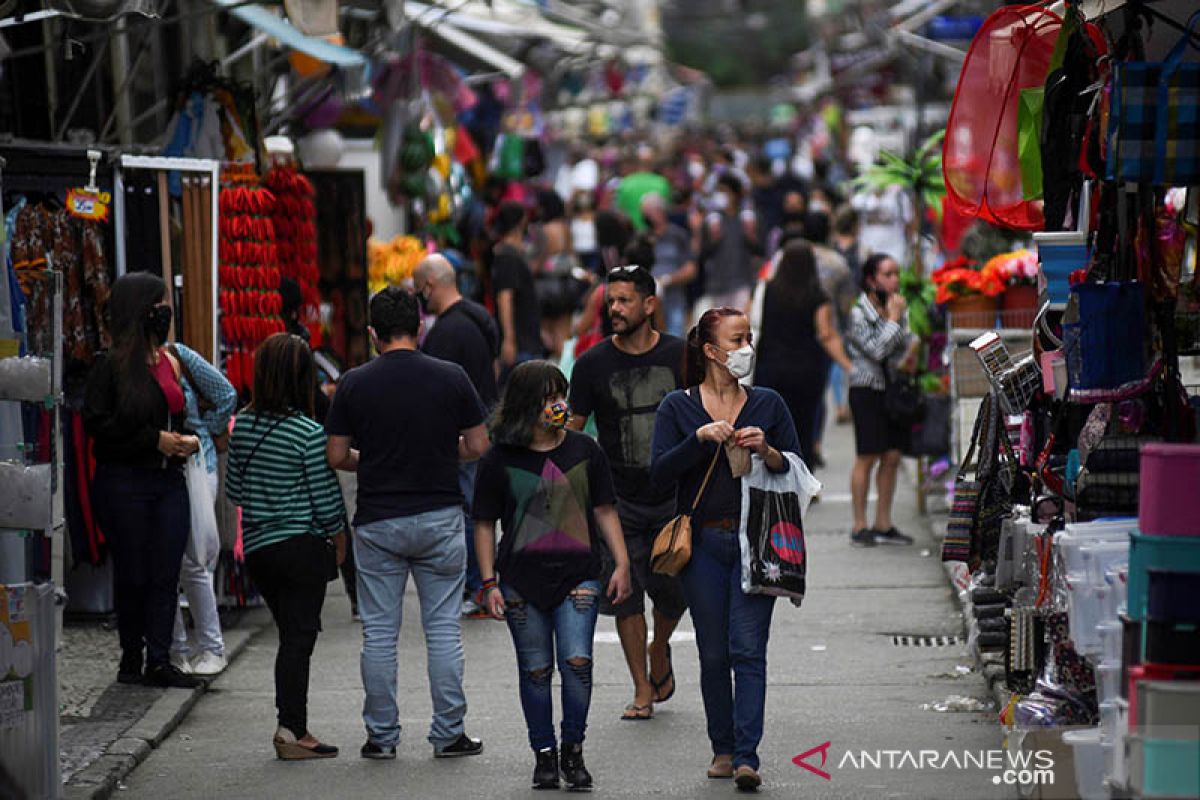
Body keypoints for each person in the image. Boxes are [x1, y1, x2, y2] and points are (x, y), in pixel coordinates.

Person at [325, 287, 491, 761]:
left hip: (378, 520)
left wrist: (372, 462)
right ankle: (449, 732)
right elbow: (479, 445)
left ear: (372, 333)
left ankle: (381, 736)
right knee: (442, 628)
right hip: (439, 515)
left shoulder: (354, 383)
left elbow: (336, 454)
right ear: (420, 328)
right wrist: (441, 455)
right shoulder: (451, 376)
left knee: (379, 631)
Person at [650, 307, 801, 791]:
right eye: (737, 340)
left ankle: (746, 756)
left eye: (749, 338)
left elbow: (798, 470)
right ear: (711, 351)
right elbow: (658, 475)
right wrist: (698, 440)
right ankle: (722, 747)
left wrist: (769, 452)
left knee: (748, 650)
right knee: (714, 653)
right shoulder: (678, 406)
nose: (746, 349)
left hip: (758, 540)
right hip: (704, 543)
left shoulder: (769, 403)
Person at [474, 361, 632, 790]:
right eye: (548, 397)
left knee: (577, 663)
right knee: (536, 670)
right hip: (520, 581)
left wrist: (621, 562)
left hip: (580, 575)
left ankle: (573, 750)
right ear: (527, 405)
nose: (558, 405)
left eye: (560, 394)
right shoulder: (499, 458)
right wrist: (487, 583)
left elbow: (604, 508)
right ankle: (543, 754)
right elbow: (484, 522)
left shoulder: (586, 449)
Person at [567, 265, 687, 722]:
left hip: (675, 496)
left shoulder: (679, 356)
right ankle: (641, 686)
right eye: (610, 301)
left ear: (649, 305)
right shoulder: (592, 365)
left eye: (624, 300)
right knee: (626, 594)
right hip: (617, 501)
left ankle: (661, 647)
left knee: (675, 592)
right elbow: (575, 431)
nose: (614, 309)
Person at [225, 333, 347, 760]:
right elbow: (327, 499)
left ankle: (292, 725)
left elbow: (234, 491)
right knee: (299, 637)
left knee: (289, 635)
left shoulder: (242, 426)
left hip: (259, 550)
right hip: (300, 547)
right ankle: (292, 730)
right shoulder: (308, 432)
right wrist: (339, 539)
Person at [83, 272, 202, 689]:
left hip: (169, 481)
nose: (165, 312)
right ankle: (132, 655)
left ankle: (159, 658)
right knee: (133, 572)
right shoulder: (109, 366)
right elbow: (99, 427)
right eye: (159, 303)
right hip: (125, 484)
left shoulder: (169, 360)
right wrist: (155, 440)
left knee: (165, 572)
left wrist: (185, 441)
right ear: (141, 310)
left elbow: (177, 413)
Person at [413, 254, 500, 618]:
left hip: (464, 436)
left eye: (420, 291)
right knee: (479, 508)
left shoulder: (446, 333)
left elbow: (436, 390)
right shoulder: (479, 318)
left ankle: (478, 584)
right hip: (483, 424)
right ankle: (484, 582)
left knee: (469, 510)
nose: (420, 299)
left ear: (430, 286)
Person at [169, 341, 237, 677]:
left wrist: (206, 430)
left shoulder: (179, 354)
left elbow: (226, 394)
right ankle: (179, 649)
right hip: (166, 469)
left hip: (198, 464)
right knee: (173, 563)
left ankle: (210, 646)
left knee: (192, 561)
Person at [753, 241, 854, 467]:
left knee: (771, 424)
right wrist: (848, 365)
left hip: (770, 368)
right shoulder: (817, 296)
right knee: (803, 427)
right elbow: (826, 334)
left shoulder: (768, 290)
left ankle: (774, 473)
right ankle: (802, 474)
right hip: (806, 371)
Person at [844, 254, 919, 548]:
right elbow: (875, 351)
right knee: (867, 455)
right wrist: (893, 321)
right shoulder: (858, 314)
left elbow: (906, 344)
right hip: (866, 388)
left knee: (892, 456)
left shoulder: (898, 306)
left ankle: (883, 523)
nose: (894, 280)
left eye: (896, 273)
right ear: (871, 279)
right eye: (887, 274)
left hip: (893, 389)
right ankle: (860, 524)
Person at [491, 201, 542, 376]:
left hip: (525, 339)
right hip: (521, 344)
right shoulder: (507, 257)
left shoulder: (508, 254)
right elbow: (505, 298)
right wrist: (509, 340)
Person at [700, 174, 760, 312]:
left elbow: (759, 250)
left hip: (741, 282)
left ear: (734, 194)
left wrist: (750, 236)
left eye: (724, 191)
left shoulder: (748, 218)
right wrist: (713, 240)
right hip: (717, 283)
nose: (720, 195)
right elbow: (703, 254)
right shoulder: (712, 220)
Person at [642, 193, 697, 338]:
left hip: (674, 299)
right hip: (650, 302)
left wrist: (667, 280)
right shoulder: (643, 237)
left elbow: (691, 269)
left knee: (675, 339)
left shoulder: (678, 235)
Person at [614, 145, 670, 231]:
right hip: (656, 235)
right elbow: (667, 210)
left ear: (636, 163)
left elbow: (620, 212)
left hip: (632, 234)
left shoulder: (625, 183)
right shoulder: (662, 183)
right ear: (653, 162)